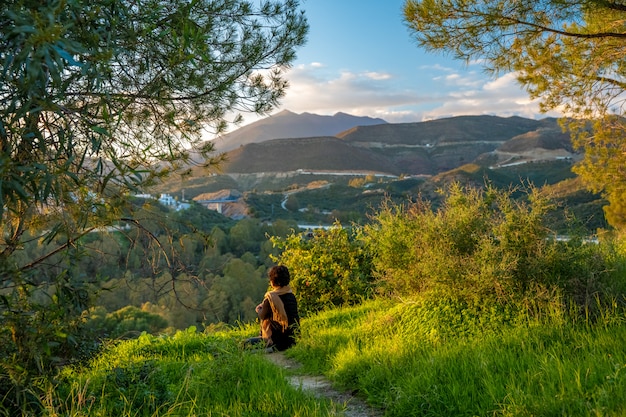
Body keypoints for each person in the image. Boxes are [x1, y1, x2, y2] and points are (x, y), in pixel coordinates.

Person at [246, 265, 299, 352]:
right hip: (292, 339)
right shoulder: (291, 295)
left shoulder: (271, 298)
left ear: (273, 281)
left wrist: (259, 309)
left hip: (277, 341)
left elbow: (262, 316)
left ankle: (266, 343)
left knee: (245, 343)